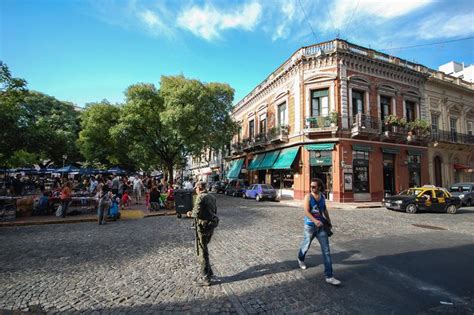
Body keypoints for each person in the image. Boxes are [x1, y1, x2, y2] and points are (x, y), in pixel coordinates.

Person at [297, 178, 341, 286]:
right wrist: (315, 221)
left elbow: (324, 210)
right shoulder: (308, 197)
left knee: (326, 251)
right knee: (306, 245)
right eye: (311, 186)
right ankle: (300, 258)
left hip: (321, 227)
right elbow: (306, 211)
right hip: (310, 227)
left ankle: (329, 276)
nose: (311, 188)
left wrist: (329, 221)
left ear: (319, 187)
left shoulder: (322, 197)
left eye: (314, 186)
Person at [186, 182, 219, 287]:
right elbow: (215, 211)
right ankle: (209, 272)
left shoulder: (200, 197)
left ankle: (205, 277)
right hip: (211, 226)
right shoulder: (212, 197)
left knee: (202, 251)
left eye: (196, 188)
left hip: (202, 227)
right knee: (205, 248)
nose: (195, 190)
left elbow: (196, 213)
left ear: (199, 188)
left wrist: (189, 213)